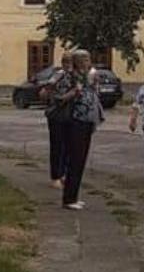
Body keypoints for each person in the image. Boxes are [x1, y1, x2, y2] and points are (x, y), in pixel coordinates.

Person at [54, 49, 101, 210]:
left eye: (88, 59)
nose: (88, 62)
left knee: (80, 160)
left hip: (87, 121)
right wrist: (74, 92)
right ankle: (68, 199)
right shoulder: (69, 76)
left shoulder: (88, 77)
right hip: (74, 122)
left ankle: (73, 196)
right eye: (85, 59)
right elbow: (58, 98)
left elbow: (93, 98)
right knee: (74, 159)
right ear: (78, 61)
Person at [42, 53, 73, 189]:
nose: (68, 65)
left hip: (72, 115)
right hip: (57, 114)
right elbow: (44, 92)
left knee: (69, 146)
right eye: (66, 62)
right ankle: (55, 176)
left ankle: (64, 174)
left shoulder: (77, 76)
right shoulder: (57, 75)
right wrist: (48, 93)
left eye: (70, 63)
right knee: (57, 146)